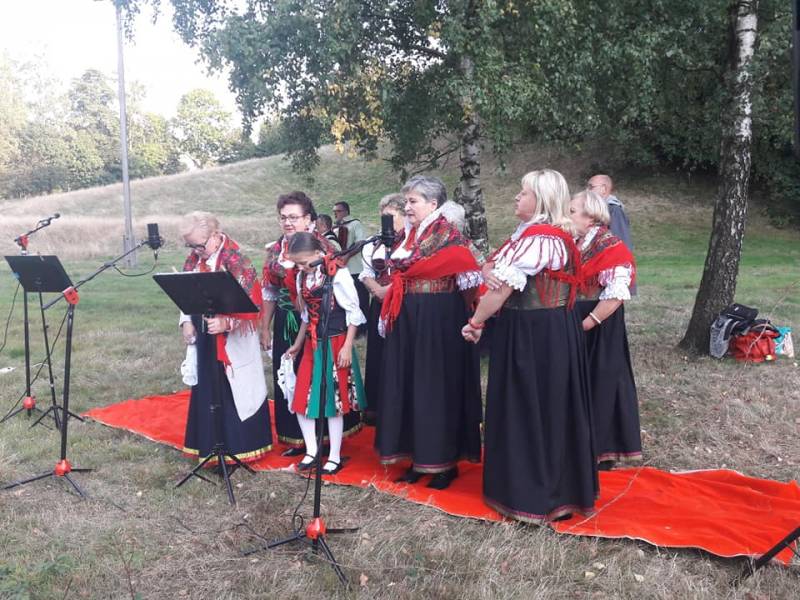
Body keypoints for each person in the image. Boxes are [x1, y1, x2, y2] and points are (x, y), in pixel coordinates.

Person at [462, 169, 597, 524]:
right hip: (546, 329)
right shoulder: (537, 236)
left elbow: (501, 290)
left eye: (523, 193)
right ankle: (548, 488)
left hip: (536, 334)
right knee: (547, 405)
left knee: (533, 404)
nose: (516, 197)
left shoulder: (540, 239)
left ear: (541, 200)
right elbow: (497, 275)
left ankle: (535, 494)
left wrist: (476, 322)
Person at [376, 175, 484, 490]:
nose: (407, 207)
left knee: (435, 386)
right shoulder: (406, 236)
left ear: (433, 203)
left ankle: (443, 462)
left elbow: (468, 279)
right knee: (409, 382)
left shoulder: (447, 235)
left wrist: (459, 317)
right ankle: (416, 457)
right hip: (408, 315)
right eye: (406, 201)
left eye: (413, 201)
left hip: (439, 317)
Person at [261, 192, 360, 455]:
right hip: (289, 319)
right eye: (283, 217)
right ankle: (300, 440)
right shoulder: (275, 250)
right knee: (295, 379)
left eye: (294, 217)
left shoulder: (324, 248)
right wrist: (264, 326)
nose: (288, 222)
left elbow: (343, 297)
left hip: (325, 323)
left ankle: (328, 441)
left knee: (324, 379)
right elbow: (269, 290)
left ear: (308, 219)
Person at [179, 211, 272, 465]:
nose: (196, 251)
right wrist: (187, 321)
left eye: (200, 245)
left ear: (215, 235)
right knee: (208, 385)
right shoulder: (194, 259)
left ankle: (242, 447)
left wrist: (227, 322)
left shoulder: (237, 260)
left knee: (232, 389)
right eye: (191, 246)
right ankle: (208, 445)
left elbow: (252, 306)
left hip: (233, 340)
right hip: (205, 334)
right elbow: (185, 293)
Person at [284, 232, 367, 474]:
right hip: (312, 343)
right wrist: (297, 344)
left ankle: (335, 456)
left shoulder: (337, 274)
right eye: (297, 264)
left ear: (318, 253)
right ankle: (312, 450)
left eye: (303, 262)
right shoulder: (302, 277)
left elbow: (353, 312)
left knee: (333, 401)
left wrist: (347, 346)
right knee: (300, 398)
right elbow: (305, 316)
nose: (300, 268)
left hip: (335, 341)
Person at [569, 190, 641, 470]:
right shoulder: (573, 242)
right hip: (576, 319)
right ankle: (577, 445)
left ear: (591, 216)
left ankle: (601, 450)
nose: (567, 216)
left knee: (602, 381)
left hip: (599, 323)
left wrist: (586, 324)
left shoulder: (610, 245)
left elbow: (616, 294)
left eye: (572, 211)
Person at [358, 193, 406, 425]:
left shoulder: (411, 241)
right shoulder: (374, 242)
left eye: (391, 216)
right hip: (378, 302)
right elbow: (366, 272)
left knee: (398, 353)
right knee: (378, 353)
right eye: (383, 217)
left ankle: (398, 407)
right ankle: (377, 407)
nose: (386, 222)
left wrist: (391, 290)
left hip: (402, 303)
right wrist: (376, 289)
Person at [333, 201, 370, 331]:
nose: (335, 214)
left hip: (355, 268)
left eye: (338, 211)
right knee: (346, 299)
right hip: (342, 270)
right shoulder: (335, 227)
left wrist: (347, 256)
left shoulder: (355, 224)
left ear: (346, 211)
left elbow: (360, 243)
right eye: (334, 212)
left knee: (360, 298)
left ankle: (363, 328)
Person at [586, 174, 633, 252]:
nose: (587, 191)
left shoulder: (614, 210)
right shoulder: (593, 209)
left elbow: (621, 242)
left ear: (604, 189)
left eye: (591, 187)